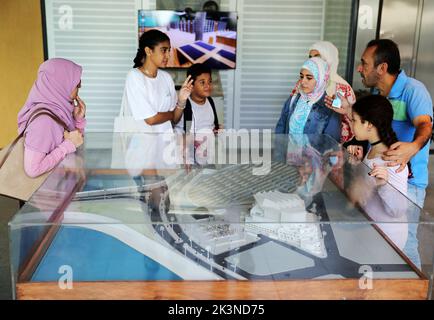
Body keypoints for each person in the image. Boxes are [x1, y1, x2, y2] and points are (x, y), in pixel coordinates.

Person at [335, 39, 432, 268]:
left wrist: (413, 147)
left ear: (382, 68)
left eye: (364, 63)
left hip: (406, 179)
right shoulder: (381, 96)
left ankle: (412, 291)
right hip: (380, 173)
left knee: (405, 247)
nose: (360, 68)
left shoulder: (413, 91)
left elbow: (425, 126)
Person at [346, 95, 409, 249]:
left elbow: (398, 211)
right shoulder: (372, 150)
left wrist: (384, 185)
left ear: (368, 124)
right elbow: (365, 190)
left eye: (354, 120)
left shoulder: (393, 161)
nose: (351, 124)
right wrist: (358, 165)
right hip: (370, 231)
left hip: (387, 238)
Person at [17, 58, 86, 178]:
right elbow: (33, 169)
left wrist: (78, 120)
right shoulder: (44, 122)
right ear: (60, 84)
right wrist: (68, 145)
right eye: (77, 83)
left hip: (60, 186)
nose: (81, 86)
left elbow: (76, 141)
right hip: (49, 192)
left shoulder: (57, 111)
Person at [120, 29, 193, 133]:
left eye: (169, 50)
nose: (168, 56)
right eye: (163, 50)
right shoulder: (134, 76)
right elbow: (151, 119)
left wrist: (181, 100)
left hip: (166, 145)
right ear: (148, 51)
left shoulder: (166, 77)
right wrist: (170, 114)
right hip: (142, 146)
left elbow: (176, 119)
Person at [290, 41, 356, 143]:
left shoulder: (341, 88)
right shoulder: (302, 82)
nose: (313, 60)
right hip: (296, 143)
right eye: (310, 57)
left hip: (327, 148)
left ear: (329, 59)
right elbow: (291, 110)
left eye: (317, 56)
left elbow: (350, 125)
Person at [275, 57, 341, 142]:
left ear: (321, 79)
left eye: (309, 78)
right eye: (301, 77)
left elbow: (332, 144)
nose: (303, 81)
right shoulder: (293, 99)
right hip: (289, 154)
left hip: (314, 155)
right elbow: (280, 131)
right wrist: (279, 154)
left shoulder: (330, 106)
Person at [175, 63, 220, 134]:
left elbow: (213, 126)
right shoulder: (186, 105)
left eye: (210, 81)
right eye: (202, 82)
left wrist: (217, 130)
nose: (207, 86)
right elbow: (187, 129)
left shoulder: (210, 101)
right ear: (191, 85)